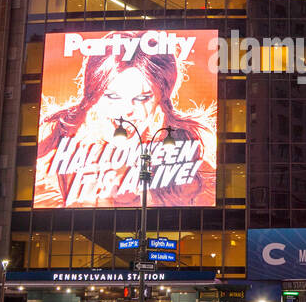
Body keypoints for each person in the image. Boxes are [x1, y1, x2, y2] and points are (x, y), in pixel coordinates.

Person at [33, 29, 218, 209]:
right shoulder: (50, 147)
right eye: (112, 97)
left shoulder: (186, 154)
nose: (125, 110)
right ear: (93, 94)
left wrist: (152, 201)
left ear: (161, 99)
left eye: (142, 98)